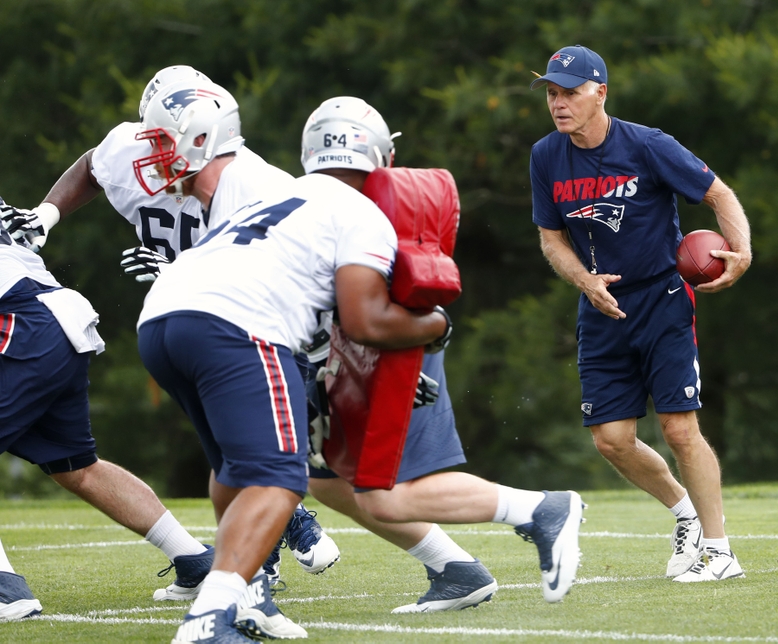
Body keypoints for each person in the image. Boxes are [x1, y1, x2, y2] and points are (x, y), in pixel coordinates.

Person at [130, 79, 459, 642]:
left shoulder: (269, 192)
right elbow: (364, 320)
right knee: (282, 478)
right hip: (233, 324)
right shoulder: (355, 210)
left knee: (235, 472)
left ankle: (246, 597)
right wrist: (433, 328)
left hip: (162, 318)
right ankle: (211, 619)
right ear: (382, 155)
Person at [0, 65, 340, 595]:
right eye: (150, 137)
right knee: (216, 436)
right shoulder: (133, 149)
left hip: (259, 313)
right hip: (190, 312)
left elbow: (284, 273)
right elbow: (94, 165)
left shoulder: (254, 183)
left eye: (163, 141)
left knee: (252, 433)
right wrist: (48, 213)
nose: (150, 155)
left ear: (202, 139)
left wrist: (184, 271)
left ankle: (273, 544)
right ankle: (246, 558)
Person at [297, 96, 586, 612]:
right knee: (328, 483)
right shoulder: (329, 203)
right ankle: (456, 570)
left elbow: (365, 313)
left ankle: (541, 508)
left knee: (386, 493)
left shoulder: (336, 207)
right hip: (359, 346)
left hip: (388, 346)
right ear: (381, 153)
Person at [528, 45, 752, 582]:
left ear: (599, 92)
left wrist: (741, 252)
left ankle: (721, 554)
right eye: (553, 94)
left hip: (663, 299)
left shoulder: (649, 144)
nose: (559, 104)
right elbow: (551, 237)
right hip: (600, 308)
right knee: (611, 440)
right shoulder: (545, 156)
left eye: (571, 93)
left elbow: (720, 194)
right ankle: (685, 515)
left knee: (679, 428)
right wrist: (583, 279)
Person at [0, 204, 215, 620]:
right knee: (77, 466)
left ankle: (6, 593)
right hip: (56, 319)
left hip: (22, 320)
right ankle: (194, 558)